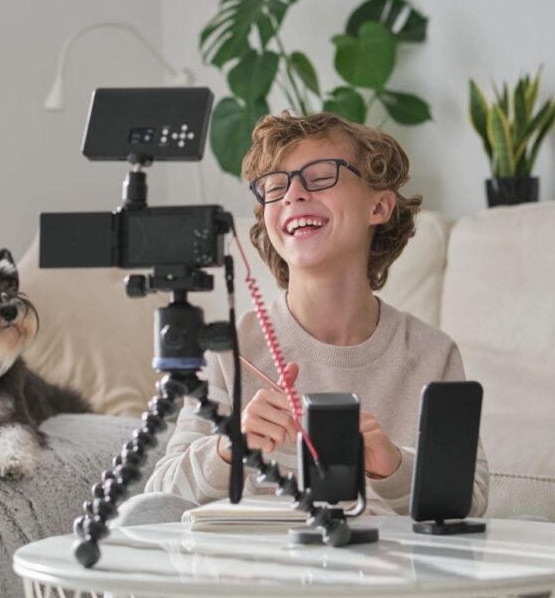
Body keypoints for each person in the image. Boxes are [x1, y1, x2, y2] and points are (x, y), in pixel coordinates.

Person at [118, 111, 488, 526]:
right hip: (252, 578)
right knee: (136, 515)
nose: (292, 194)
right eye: (275, 186)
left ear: (379, 206)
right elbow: (161, 496)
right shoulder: (228, 350)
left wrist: (392, 465)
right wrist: (229, 448)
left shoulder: (431, 355)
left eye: (320, 176)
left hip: (383, 575)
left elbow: (470, 500)